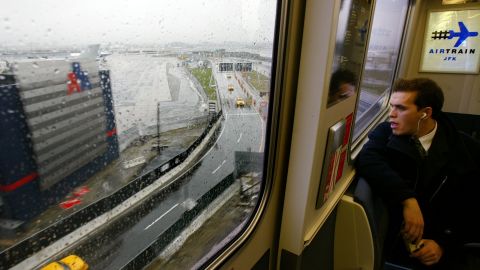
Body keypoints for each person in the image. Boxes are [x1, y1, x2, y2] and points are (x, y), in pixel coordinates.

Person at [356, 78, 480, 269]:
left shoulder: (465, 150)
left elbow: (470, 208)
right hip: (395, 243)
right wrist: (407, 199)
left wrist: (442, 244)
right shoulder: (386, 133)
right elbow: (367, 158)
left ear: (426, 113)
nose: (391, 115)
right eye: (391, 107)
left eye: (401, 108)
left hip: (442, 242)